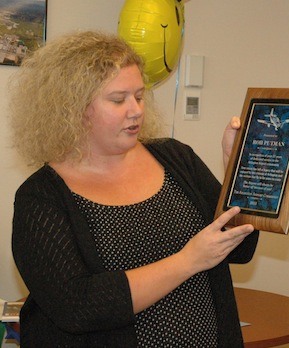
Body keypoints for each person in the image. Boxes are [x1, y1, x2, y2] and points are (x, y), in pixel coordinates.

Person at [9, 31, 259, 347]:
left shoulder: (176, 158)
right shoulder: (42, 197)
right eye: (118, 99)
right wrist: (188, 260)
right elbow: (78, 308)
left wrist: (240, 173)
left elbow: (240, 247)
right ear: (72, 108)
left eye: (139, 96)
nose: (136, 110)